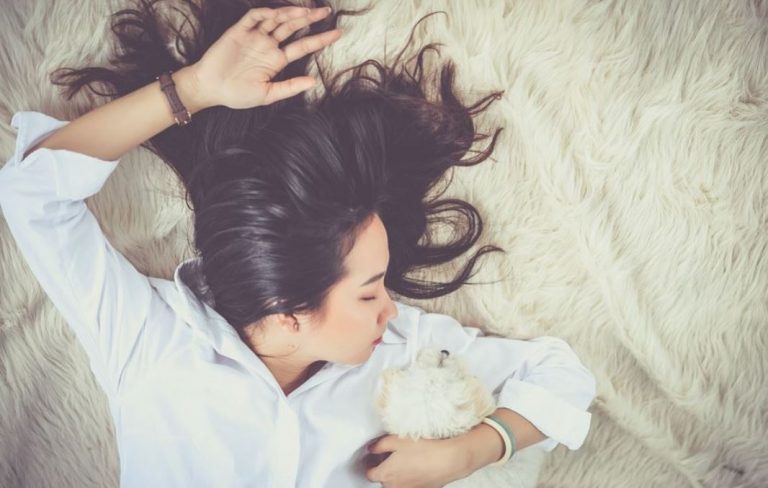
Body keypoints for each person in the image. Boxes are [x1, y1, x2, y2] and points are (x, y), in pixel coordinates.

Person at [0, 2, 597, 487]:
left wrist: (472, 450)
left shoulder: (403, 350)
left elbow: (558, 372)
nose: (390, 311)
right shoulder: (147, 337)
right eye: (368, 295)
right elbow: (32, 193)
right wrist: (195, 87)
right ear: (286, 318)